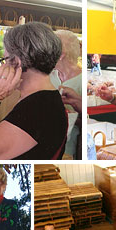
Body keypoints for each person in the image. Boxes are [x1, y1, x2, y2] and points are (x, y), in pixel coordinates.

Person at [0, 22, 68, 160]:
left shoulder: (36, 107)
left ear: (17, 61)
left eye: (6, 59)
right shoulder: (46, 98)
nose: (4, 65)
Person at [51, 30, 82, 159]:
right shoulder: (47, 75)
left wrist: (70, 116)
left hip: (67, 149)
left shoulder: (82, 81)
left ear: (61, 55)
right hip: (43, 144)